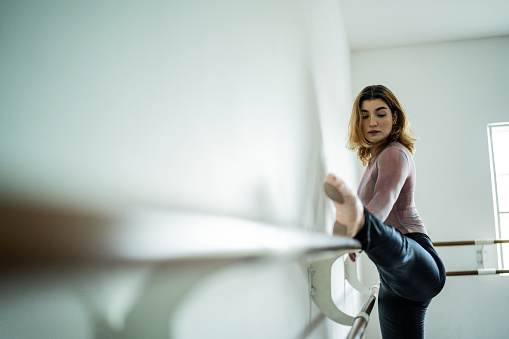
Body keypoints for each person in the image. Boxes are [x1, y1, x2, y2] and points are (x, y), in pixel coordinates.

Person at [324, 85, 446, 338]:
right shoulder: (375, 159)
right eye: (365, 115)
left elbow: (384, 200)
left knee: (388, 242)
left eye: (380, 113)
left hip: (414, 257)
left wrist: (360, 230)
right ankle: (362, 228)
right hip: (392, 279)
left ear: (394, 117)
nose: (372, 122)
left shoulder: (394, 153)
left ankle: (362, 226)